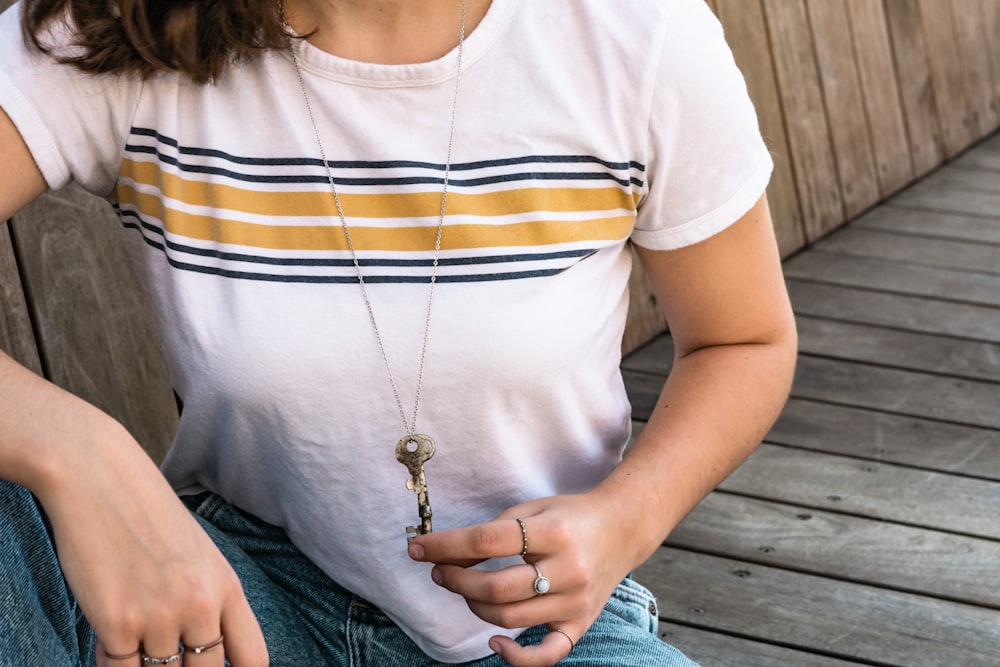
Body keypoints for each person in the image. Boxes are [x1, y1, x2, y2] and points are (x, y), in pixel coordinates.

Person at [0, 0, 797, 665]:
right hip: (239, 600)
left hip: (533, 626)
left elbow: (744, 340)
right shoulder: (133, 27)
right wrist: (79, 455)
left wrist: (623, 519)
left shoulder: (632, 31)